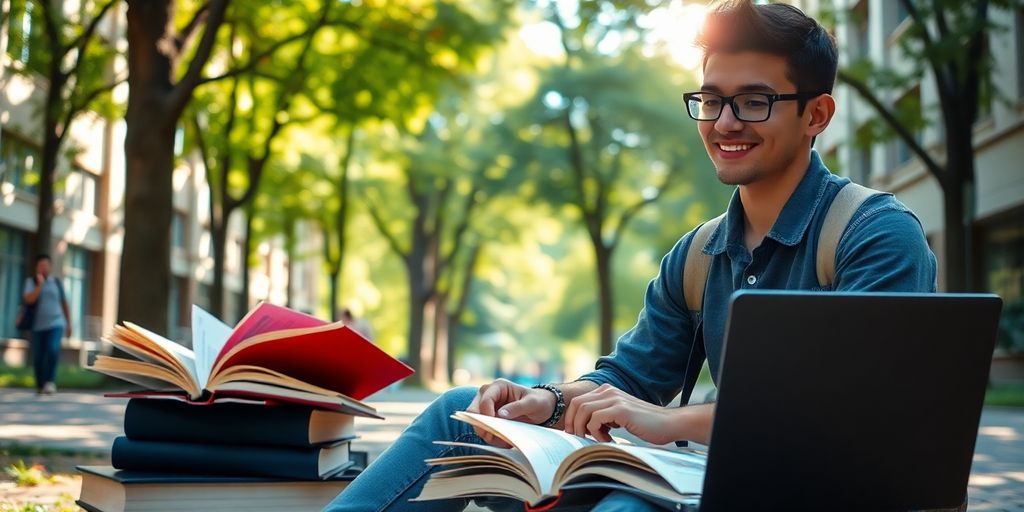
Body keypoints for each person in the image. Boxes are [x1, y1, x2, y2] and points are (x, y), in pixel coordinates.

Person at [323, 1, 937, 510]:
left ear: (816, 114)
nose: (725, 123)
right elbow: (630, 378)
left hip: (821, 490)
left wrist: (669, 424)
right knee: (466, 411)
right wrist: (550, 400)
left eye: (754, 101)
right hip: (716, 478)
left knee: (631, 504)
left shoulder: (875, 234)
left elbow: (846, 412)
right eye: (711, 100)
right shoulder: (698, 255)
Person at [21, 254, 71, 395]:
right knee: (38, 356)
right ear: (37, 267)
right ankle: (40, 384)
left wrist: (69, 323)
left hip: (56, 323)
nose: (44, 268)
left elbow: (64, 304)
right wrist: (40, 285)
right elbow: (29, 300)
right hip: (37, 325)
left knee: (52, 350)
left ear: (50, 266)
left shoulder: (57, 283)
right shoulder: (31, 282)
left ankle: (50, 382)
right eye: (41, 265)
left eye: (46, 265)